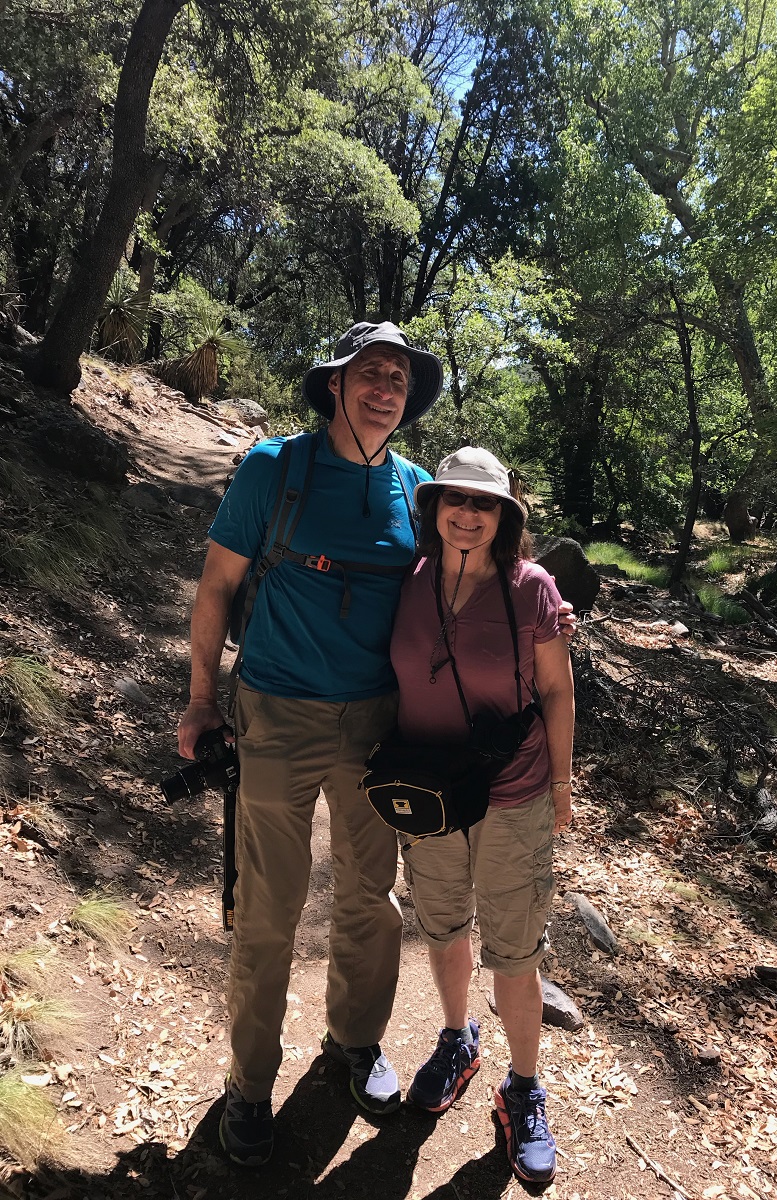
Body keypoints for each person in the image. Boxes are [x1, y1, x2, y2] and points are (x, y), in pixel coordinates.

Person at [177, 322, 443, 1166]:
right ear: (336, 384)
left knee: (372, 897)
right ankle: (249, 1085)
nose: (385, 387)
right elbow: (217, 586)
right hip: (276, 716)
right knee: (267, 911)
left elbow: (463, 589)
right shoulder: (273, 469)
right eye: (371, 372)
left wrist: (541, 607)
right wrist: (198, 701)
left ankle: (354, 1042)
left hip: (376, 726)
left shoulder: (418, 488)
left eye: (398, 377)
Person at [391, 447, 575, 1185]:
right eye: (455, 501)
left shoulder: (531, 589)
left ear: (505, 517)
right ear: (434, 510)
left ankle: (522, 1089)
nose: (468, 515)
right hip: (429, 791)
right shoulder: (406, 582)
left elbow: (558, 692)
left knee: (517, 953)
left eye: (485, 504)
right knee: (442, 927)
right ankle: (456, 1038)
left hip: (514, 792)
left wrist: (561, 784)